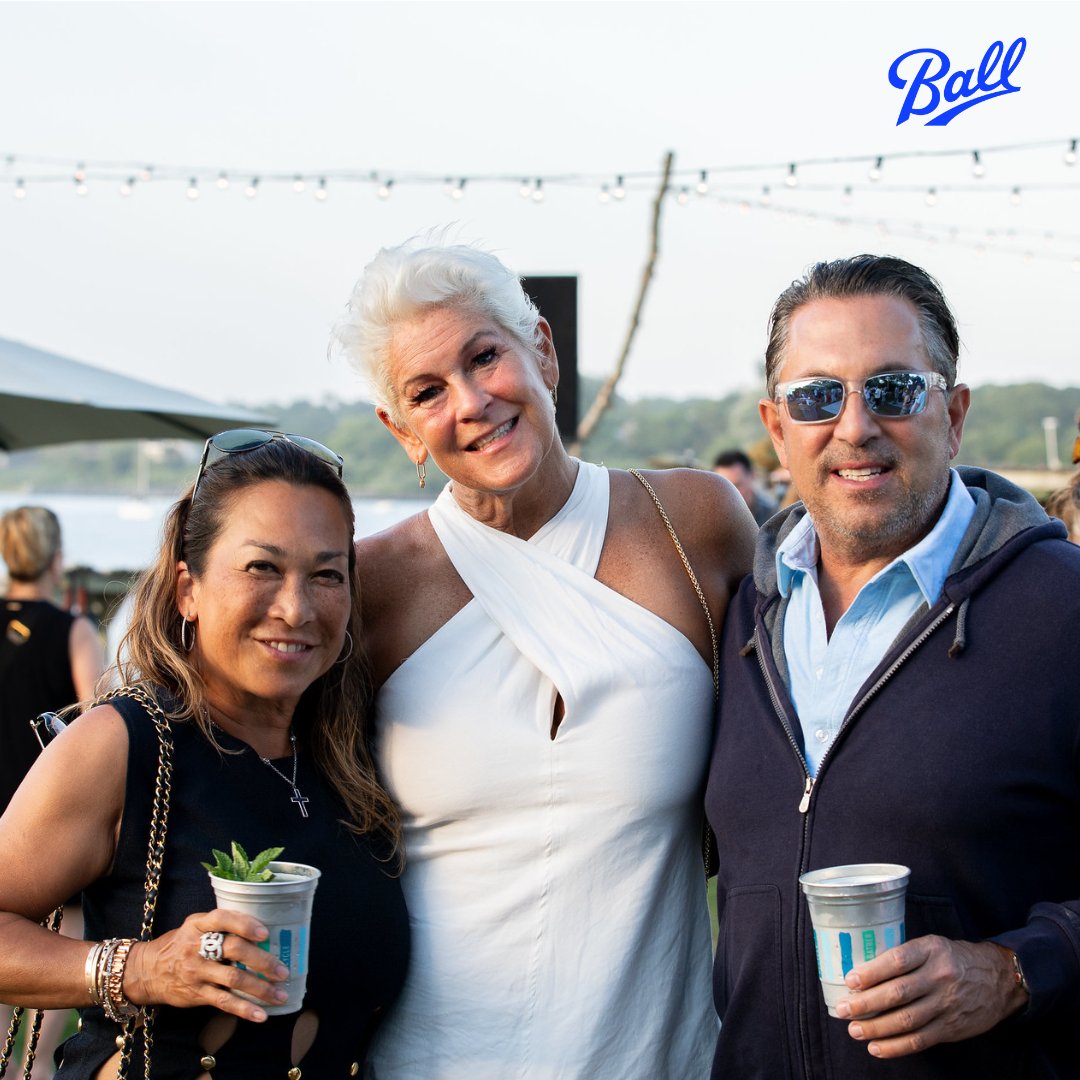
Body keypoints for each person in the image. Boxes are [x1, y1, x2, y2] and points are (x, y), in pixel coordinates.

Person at [332, 240, 757, 1078]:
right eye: (426, 391)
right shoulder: (370, 586)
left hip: (661, 1055)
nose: (472, 401)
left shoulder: (695, 523)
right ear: (402, 430)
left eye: (485, 356)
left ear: (543, 350)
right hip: (432, 1058)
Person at [705, 254, 1080, 1078]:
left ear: (954, 414)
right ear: (776, 428)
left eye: (893, 390)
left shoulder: (1061, 608)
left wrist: (1019, 971)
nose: (854, 427)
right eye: (816, 397)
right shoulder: (739, 619)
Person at [0, 432, 409, 1078]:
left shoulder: (351, 758)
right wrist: (141, 967)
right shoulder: (127, 743)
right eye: (262, 568)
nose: (296, 608)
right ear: (188, 588)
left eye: (327, 575)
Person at [1, 506, 105, 1076]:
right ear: (56, 559)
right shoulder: (73, 628)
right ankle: (36, 1069)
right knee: (53, 954)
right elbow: (98, 721)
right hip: (44, 811)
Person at [712, 448, 779, 525]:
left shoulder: (773, 514)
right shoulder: (714, 521)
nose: (730, 494)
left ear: (752, 475)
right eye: (723, 489)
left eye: (737, 485)